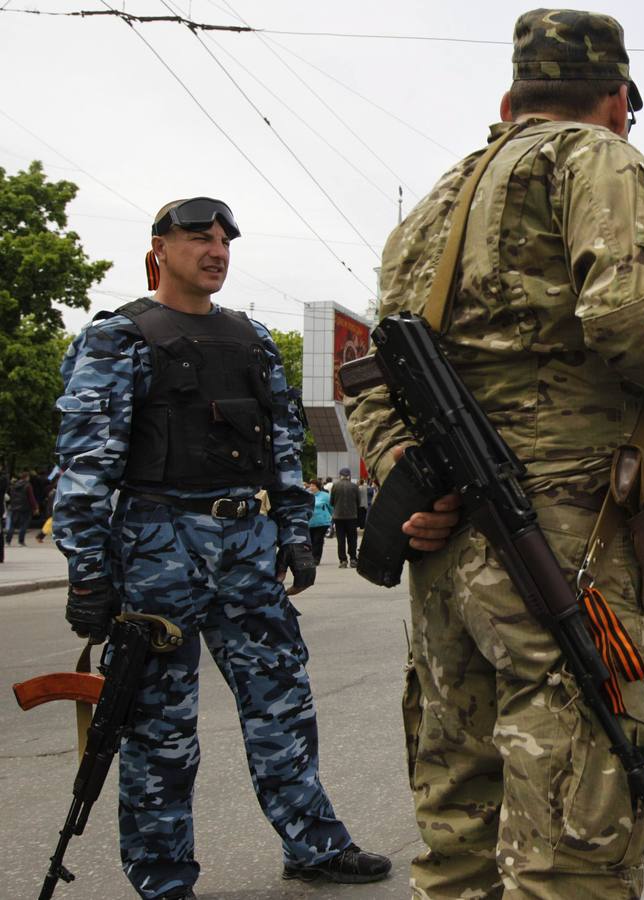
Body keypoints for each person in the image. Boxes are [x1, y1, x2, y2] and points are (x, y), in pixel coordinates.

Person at [343, 10, 644, 897]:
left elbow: (374, 376)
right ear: (618, 101)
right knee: (576, 828)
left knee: (459, 821)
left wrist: (408, 477)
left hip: (453, 545)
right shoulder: (596, 159)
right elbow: (639, 323)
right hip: (561, 543)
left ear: (510, 98)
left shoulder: (435, 205)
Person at [52, 198, 390, 900]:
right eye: (197, 238)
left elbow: (283, 446)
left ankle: (314, 845)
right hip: (155, 554)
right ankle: (164, 876)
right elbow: (84, 469)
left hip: (246, 552)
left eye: (224, 242)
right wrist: (89, 574)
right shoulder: (119, 339)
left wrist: (295, 534)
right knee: (158, 728)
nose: (215, 251)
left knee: (283, 705)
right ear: (159, 249)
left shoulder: (253, 340)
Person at [329, 467, 360, 568]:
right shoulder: (354, 486)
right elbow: (358, 502)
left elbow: (331, 502)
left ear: (340, 476)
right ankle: (353, 559)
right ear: (349, 476)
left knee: (341, 539)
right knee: (352, 538)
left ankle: (343, 560)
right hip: (352, 516)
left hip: (338, 517)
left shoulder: (335, 486)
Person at [5, 470, 37, 545]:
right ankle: (21, 541)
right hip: (25, 507)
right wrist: (35, 507)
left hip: (15, 507)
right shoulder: (28, 485)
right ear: (27, 477)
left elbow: (11, 496)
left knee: (12, 524)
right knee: (24, 524)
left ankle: (8, 540)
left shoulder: (14, 485)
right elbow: (31, 497)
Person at [307, 479, 333, 563]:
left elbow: (331, 507)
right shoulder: (307, 495)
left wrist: (331, 517)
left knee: (318, 540)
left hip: (322, 522)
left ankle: (316, 558)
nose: (311, 487)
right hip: (310, 522)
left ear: (317, 487)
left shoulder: (325, 496)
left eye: (313, 485)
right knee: (310, 541)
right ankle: (311, 557)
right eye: (310, 485)